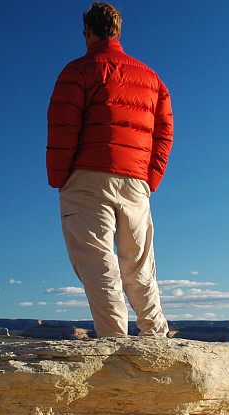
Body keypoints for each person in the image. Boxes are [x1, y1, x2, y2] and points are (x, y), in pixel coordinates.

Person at [46, 2, 173, 337]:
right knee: (140, 268)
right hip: (135, 182)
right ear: (118, 32)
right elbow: (164, 132)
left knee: (99, 267)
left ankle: (116, 349)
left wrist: (59, 178)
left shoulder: (78, 71)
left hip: (87, 180)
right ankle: (156, 344)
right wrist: (150, 179)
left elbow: (62, 127)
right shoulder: (151, 78)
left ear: (88, 32)